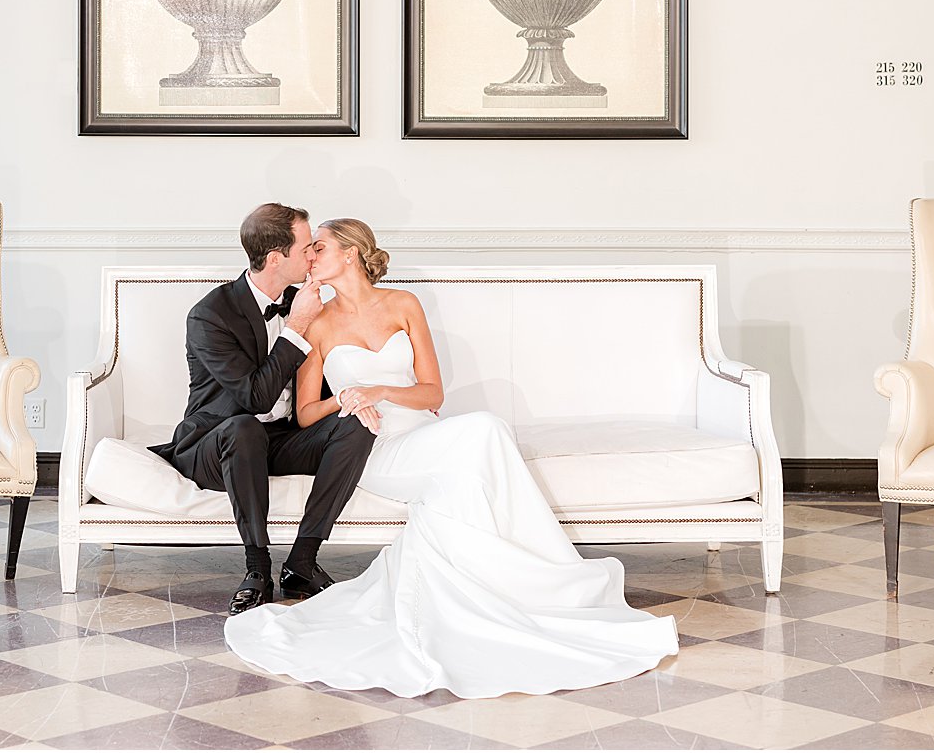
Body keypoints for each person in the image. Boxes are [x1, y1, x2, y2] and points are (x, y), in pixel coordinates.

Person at [223, 218, 679, 698]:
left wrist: (381, 388)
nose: (310, 256)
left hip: (423, 433)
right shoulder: (314, 321)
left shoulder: (403, 305)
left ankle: (518, 589)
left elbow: (432, 393)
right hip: (371, 446)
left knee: (469, 463)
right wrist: (350, 399)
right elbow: (307, 414)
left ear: (352, 253)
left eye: (319, 247)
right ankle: (543, 576)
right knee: (484, 430)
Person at [148, 204, 377, 615]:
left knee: (356, 426)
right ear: (276, 258)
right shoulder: (210, 315)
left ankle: (302, 563)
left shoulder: (303, 302)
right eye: (307, 248)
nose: (312, 256)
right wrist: (295, 329)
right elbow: (255, 400)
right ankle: (257, 567)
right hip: (215, 443)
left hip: (282, 438)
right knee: (244, 428)